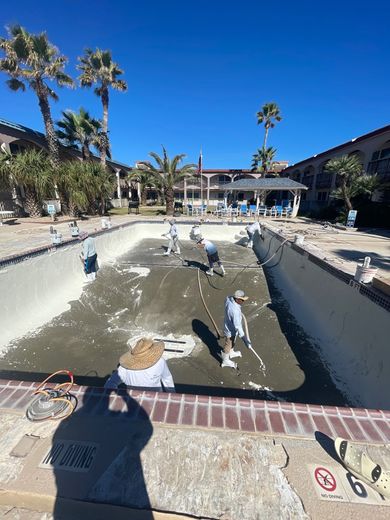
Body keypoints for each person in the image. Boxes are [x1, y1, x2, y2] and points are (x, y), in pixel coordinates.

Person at [104, 337, 176, 392]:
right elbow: (167, 379)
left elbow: (111, 383)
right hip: (155, 397)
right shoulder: (160, 361)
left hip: (133, 400)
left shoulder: (126, 366)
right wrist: (172, 395)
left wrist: (115, 398)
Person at [222, 290, 252, 368]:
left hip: (229, 324)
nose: (243, 301)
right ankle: (225, 360)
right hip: (230, 330)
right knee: (228, 344)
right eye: (242, 300)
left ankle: (231, 353)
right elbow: (238, 326)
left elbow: (227, 298)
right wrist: (246, 341)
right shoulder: (234, 311)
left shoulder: (229, 299)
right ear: (237, 299)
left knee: (233, 341)